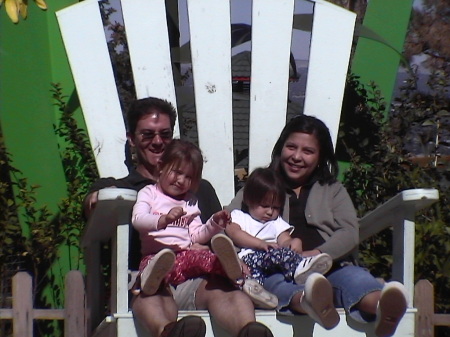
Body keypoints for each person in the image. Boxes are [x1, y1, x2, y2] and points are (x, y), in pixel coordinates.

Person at [84, 97, 275, 337]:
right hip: (146, 278)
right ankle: (170, 333)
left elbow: (213, 234)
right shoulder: (121, 189)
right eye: (147, 135)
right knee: (150, 292)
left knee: (224, 290)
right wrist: (94, 198)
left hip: (193, 274)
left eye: (164, 134)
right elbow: (91, 205)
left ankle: (249, 331)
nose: (157, 142)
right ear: (131, 139)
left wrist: (211, 240)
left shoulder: (199, 189)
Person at [227, 115, 409, 337]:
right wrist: (236, 259)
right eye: (291, 147)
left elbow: (349, 232)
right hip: (276, 270)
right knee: (284, 288)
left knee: (357, 281)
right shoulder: (261, 184)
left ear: (321, 157)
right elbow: (227, 223)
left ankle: (383, 307)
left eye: (308, 151)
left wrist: (316, 254)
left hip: (330, 266)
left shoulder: (332, 189)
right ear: (280, 148)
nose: (296, 156)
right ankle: (309, 302)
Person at [131, 139, 277, 309]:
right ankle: (149, 282)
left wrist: (215, 223)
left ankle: (246, 283)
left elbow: (196, 235)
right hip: (156, 257)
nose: (181, 180)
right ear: (162, 166)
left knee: (211, 260)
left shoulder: (190, 201)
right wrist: (163, 220)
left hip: (183, 255)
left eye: (188, 177)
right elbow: (138, 219)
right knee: (154, 268)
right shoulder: (149, 193)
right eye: (177, 172)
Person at [225, 167, 333, 286]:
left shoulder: (276, 222)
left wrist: (293, 242)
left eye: (276, 207)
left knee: (284, 254)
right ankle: (300, 268)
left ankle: (298, 272)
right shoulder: (240, 216)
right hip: (250, 258)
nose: (270, 212)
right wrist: (261, 244)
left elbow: (284, 239)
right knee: (274, 259)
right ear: (248, 200)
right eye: (264, 205)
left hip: (273, 264)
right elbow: (234, 234)